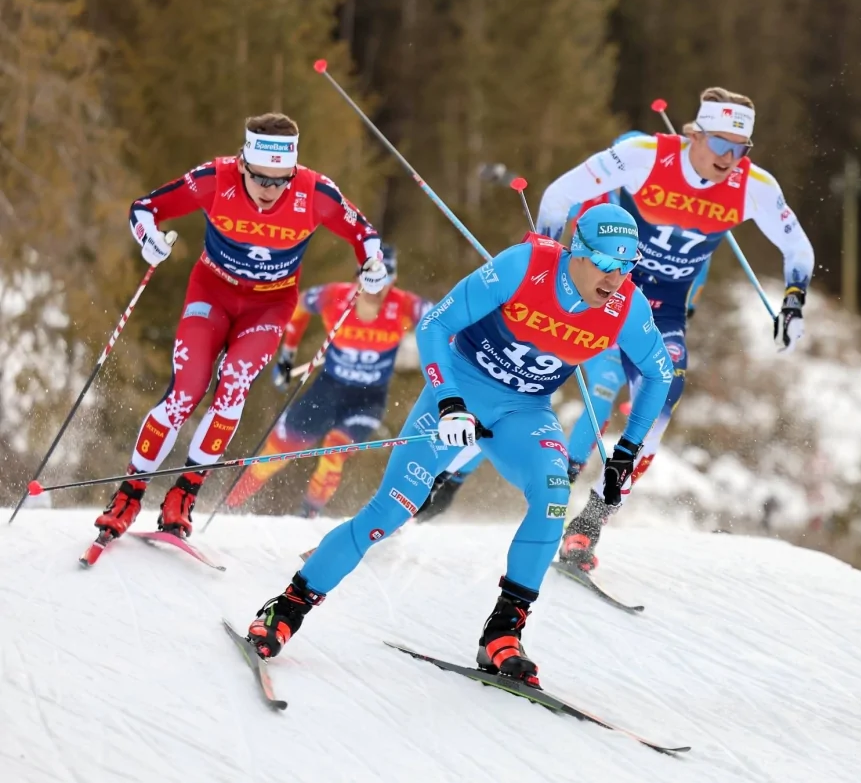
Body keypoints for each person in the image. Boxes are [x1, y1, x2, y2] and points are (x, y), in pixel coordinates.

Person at [243, 202, 674, 684]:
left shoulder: (626, 307)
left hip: (524, 413)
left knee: (554, 496)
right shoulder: (524, 266)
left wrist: (625, 452)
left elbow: (658, 376)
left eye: (628, 265)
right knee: (389, 511)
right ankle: (287, 607)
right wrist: (448, 401)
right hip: (460, 393)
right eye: (607, 264)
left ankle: (502, 635)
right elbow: (435, 326)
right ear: (578, 251)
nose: (617, 278)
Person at [535, 87, 815, 572]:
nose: (730, 159)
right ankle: (534, 484)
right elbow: (560, 194)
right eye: (721, 145)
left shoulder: (754, 186)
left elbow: (799, 250)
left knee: (663, 401)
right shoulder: (644, 156)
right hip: (609, 289)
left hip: (663, 310)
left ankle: (590, 524)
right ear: (696, 135)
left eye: (740, 149)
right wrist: (541, 256)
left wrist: (793, 302)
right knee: (574, 382)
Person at [94, 112, 388, 542]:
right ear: (243, 164)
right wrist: (150, 239)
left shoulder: (315, 192)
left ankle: (184, 494)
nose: (271, 190)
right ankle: (129, 494)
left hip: (268, 306)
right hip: (211, 293)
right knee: (186, 392)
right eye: (261, 179)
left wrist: (372, 267)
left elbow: (365, 235)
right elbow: (145, 208)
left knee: (233, 385)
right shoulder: (215, 178)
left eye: (281, 180)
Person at [415, 131, 713, 522]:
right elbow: (551, 229)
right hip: (567, 312)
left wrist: (688, 305)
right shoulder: (592, 201)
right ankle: (451, 475)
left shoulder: (652, 212)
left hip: (615, 317)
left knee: (601, 397)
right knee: (510, 396)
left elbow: (699, 260)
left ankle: (567, 475)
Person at [224, 244, 433, 517]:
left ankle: (308, 514)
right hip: (327, 391)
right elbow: (298, 305)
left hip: (367, 401)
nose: (376, 287)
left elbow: (445, 321)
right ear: (358, 275)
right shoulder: (334, 296)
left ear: (393, 279)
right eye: (369, 277)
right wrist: (287, 355)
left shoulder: (406, 305)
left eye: (385, 279)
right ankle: (230, 507)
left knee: (335, 450)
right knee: (275, 453)